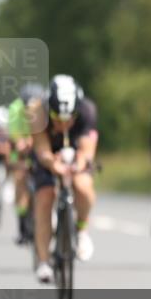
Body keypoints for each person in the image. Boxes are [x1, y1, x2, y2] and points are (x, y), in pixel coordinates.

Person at [31, 75, 98, 283]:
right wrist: (53, 164)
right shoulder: (37, 112)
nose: (63, 123)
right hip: (49, 153)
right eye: (56, 117)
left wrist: (79, 164)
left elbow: (88, 149)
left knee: (83, 185)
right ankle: (43, 262)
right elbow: (41, 149)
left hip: (75, 151)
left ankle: (82, 230)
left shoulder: (87, 110)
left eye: (69, 118)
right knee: (44, 197)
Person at [8, 83, 45, 243]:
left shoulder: (45, 106)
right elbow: (15, 136)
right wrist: (22, 143)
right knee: (20, 177)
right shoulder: (15, 109)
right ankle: (22, 222)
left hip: (39, 141)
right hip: (22, 144)